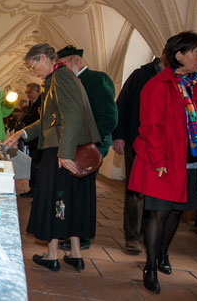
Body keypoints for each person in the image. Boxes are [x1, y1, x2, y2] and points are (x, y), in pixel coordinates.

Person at [4, 43, 100, 272]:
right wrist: (21, 133)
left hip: (61, 152)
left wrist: (64, 153)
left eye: (32, 66)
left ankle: (52, 254)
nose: (32, 72)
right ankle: (75, 254)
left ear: (44, 58)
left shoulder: (60, 77)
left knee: (56, 200)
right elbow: (49, 122)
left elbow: (73, 114)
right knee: (71, 201)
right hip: (67, 149)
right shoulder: (59, 78)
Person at [128, 31, 197, 294]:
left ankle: (163, 252)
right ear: (179, 55)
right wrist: (158, 159)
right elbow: (150, 126)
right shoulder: (157, 85)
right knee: (158, 212)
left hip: (192, 160)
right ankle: (150, 266)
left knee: (177, 211)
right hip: (164, 160)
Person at [55, 45, 118, 251]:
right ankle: (69, 232)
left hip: (90, 146)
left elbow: (109, 117)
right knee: (69, 192)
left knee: (84, 193)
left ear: (75, 61)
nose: (60, 69)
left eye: (63, 64)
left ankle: (82, 237)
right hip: (72, 145)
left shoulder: (98, 80)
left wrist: (92, 144)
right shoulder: (68, 82)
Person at [112, 56, 164, 254]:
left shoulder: (180, 78)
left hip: (162, 144)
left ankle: (149, 234)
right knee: (136, 190)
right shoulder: (140, 75)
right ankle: (133, 236)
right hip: (136, 140)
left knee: (156, 192)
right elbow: (122, 105)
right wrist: (119, 136)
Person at [20, 83, 42, 198]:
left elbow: (38, 121)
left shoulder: (41, 102)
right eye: (27, 92)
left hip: (39, 140)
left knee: (36, 166)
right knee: (33, 165)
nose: (28, 95)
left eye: (30, 92)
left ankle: (36, 191)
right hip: (33, 140)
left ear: (37, 91)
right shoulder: (32, 102)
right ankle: (33, 189)